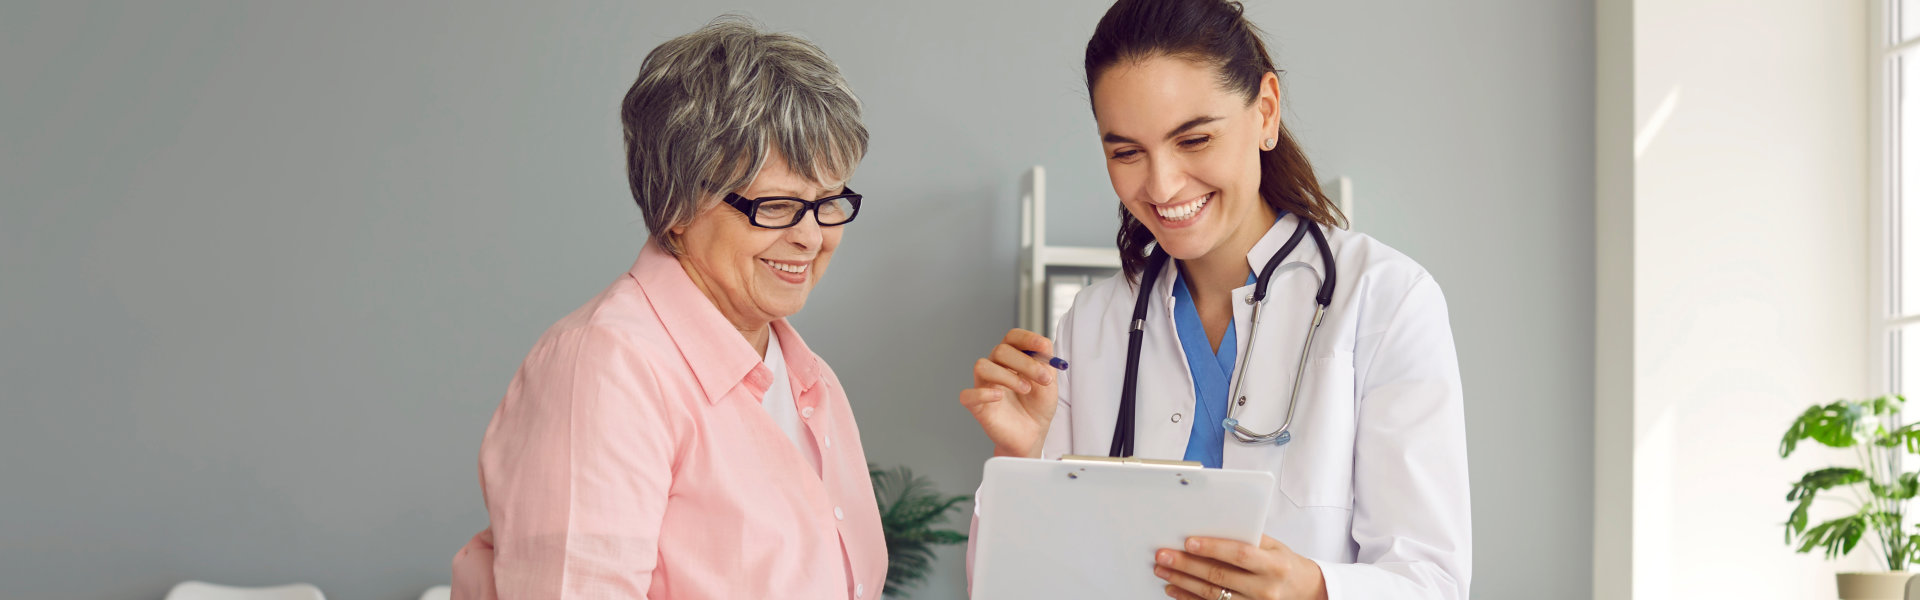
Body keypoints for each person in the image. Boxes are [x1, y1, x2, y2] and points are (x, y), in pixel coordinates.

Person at [959, 1, 1471, 598]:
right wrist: (1019, 459)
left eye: (1194, 138)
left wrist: (1314, 588)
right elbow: (1012, 588)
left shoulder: (1385, 299)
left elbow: (1432, 580)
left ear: (1266, 113)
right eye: (1126, 152)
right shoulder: (1093, 323)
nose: (1161, 184)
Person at [451, 17, 886, 599]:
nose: (811, 237)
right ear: (678, 203)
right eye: (778, 205)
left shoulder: (810, 379)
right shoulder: (606, 367)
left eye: (828, 201)